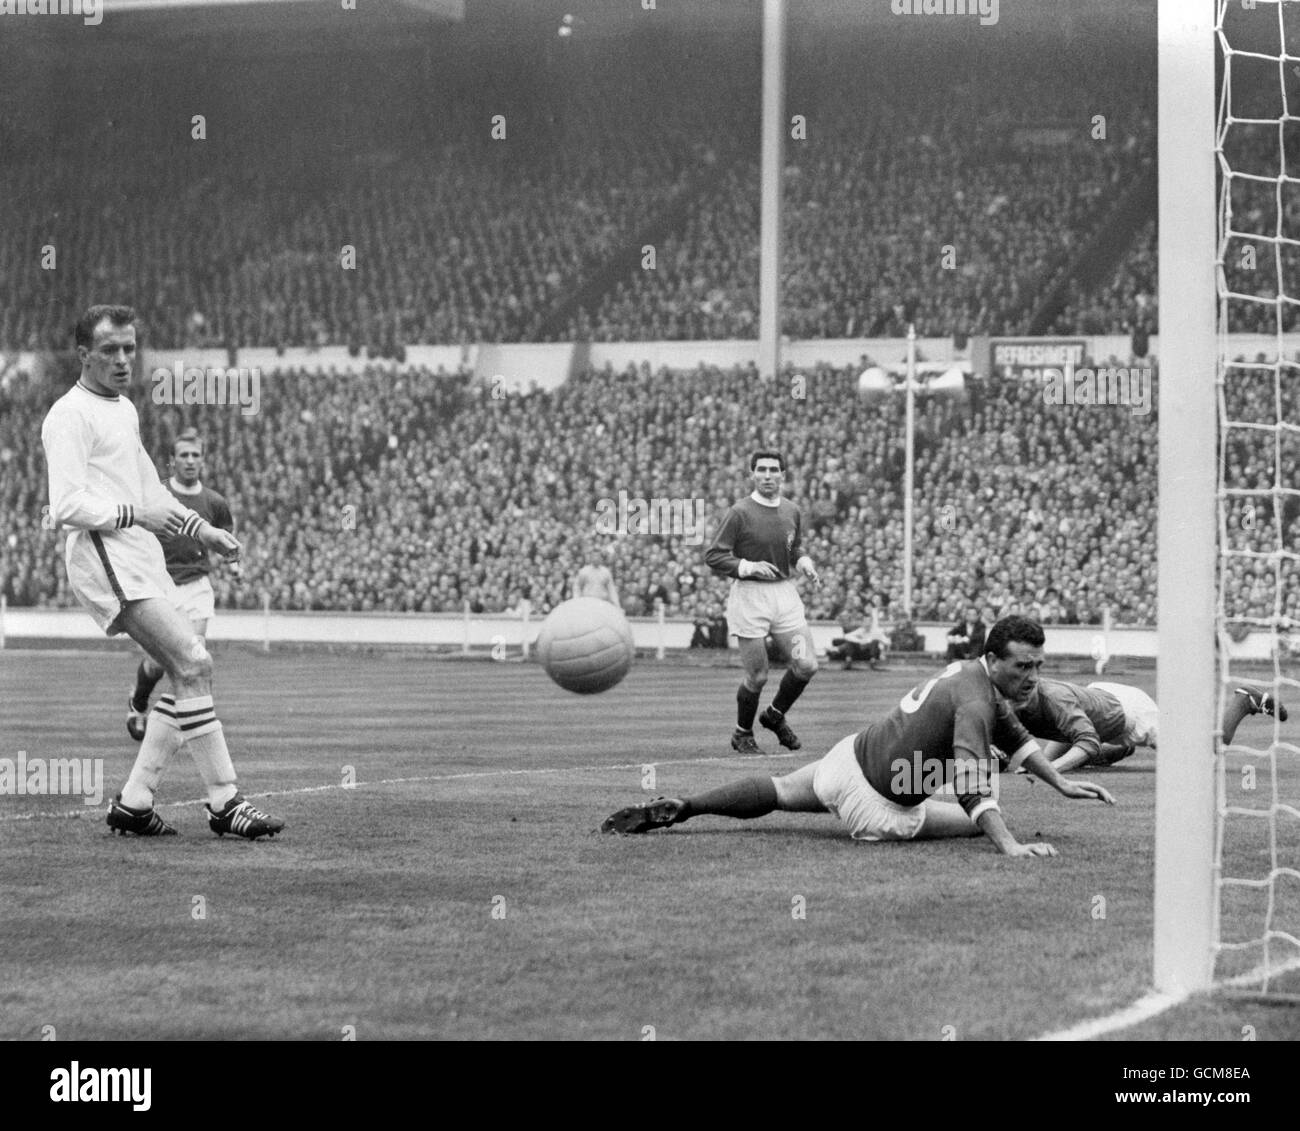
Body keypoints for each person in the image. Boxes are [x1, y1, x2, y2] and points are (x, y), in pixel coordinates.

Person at [41, 304, 284, 840]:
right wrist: (134, 515)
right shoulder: (68, 415)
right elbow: (64, 506)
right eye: (110, 350)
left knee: (186, 672)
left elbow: (151, 490)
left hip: (137, 553)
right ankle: (224, 803)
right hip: (106, 559)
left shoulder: (123, 409)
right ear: (84, 355)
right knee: (194, 659)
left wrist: (203, 531)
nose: (124, 359)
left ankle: (133, 802)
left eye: (130, 348)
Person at [602, 616, 1115, 857]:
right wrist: (1011, 847)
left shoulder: (967, 673)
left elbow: (1022, 739)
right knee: (975, 814)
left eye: (1038, 666)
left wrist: (1062, 784)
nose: (1032, 675)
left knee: (780, 790)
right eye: (1024, 666)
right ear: (996, 660)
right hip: (880, 807)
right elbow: (972, 787)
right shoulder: (979, 701)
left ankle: (686, 806)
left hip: (849, 758)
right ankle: (956, 827)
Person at [704, 450, 821, 754]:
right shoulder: (739, 512)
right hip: (750, 597)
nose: (767, 475)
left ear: (783, 475)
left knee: (806, 664)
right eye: (761, 470)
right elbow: (714, 555)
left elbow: (793, 549)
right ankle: (743, 733)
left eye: (773, 470)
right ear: (752, 474)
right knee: (758, 675)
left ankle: (774, 715)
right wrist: (747, 566)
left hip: (783, 595)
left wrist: (804, 562)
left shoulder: (792, 510)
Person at [126, 429, 238, 740]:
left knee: (195, 654)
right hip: (160, 584)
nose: (190, 461)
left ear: (203, 461)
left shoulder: (214, 502)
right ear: (172, 461)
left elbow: (227, 539)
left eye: (195, 455)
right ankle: (138, 701)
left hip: (197, 585)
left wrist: (234, 563)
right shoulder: (158, 494)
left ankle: (188, 724)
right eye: (183, 455)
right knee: (158, 663)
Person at [1016, 677, 1288, 773]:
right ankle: (1122, 749)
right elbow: (1066, 729)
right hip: (1106, 702)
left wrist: (1048, 768)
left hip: (1131, 711)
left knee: (1202, 758)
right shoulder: (1028, 695)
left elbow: (1081, 738)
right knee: (1089, 744)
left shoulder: (1051, 699)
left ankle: (1243, 702)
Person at [571, 540, 619, 605]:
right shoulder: (584, 571)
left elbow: (611, 589)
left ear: (601, 558)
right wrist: (576, 600)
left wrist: (616, 603)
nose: (596, 558)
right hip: (587, 602)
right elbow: (577, 586)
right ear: (590, 557)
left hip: (602, 602)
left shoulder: (606, 572)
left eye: (598, 556)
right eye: (594, 556)